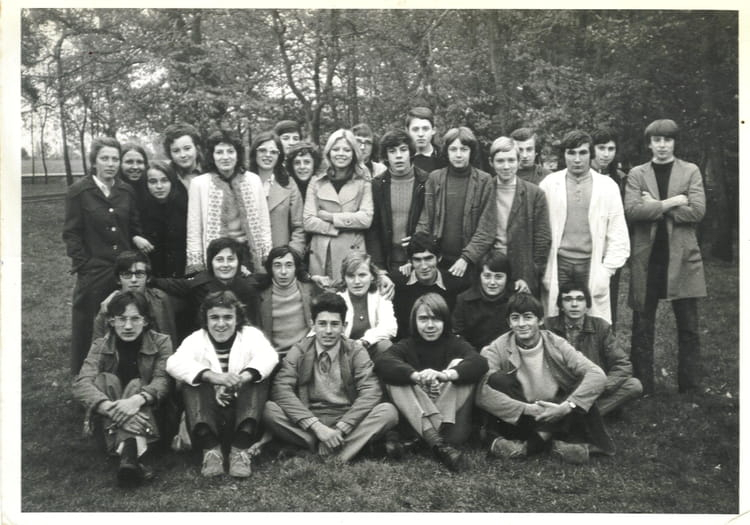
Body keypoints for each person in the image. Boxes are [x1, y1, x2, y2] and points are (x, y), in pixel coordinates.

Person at [475, 293, 614, 464]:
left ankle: (525, 447)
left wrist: (565, 407)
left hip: (556, 411)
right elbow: (482, 392)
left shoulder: (556, 343)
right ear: (509, 323)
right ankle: (549, 441)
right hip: (520, 414)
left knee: (580, 387)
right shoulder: (498, 346)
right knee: (496, 380)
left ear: (540, 320)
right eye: (515, 318)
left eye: (528, 317)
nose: (521, 324)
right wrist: (528, 409)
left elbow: (597, 374)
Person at [262, 292, 398, 463]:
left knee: (388, 412)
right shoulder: (300, 350)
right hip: (311, 419)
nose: (328, 331)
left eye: (334, 324)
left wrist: (342, 428)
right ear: (313, 325)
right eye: (322, 324)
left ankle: (323, 452)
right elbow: (281, 389)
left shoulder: (355, 351)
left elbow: (371, 391)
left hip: (347, 416)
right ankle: (339, 448)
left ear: (343, 326)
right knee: (269, 410)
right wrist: (317, 427)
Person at [624, 119, 707, 394]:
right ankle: (642, 385)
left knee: (689, 326)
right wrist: (672, 203)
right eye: (656, 140)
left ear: (674, 143)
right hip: (648, 260)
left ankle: (691, 385)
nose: (662, 145)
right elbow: (633, 212)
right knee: (642, 326)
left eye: (667, 140)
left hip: (682, 258)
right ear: (649, 143)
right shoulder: (637, 174)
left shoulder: (690, 171)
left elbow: (696, 212)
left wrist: (655, 206)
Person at [166, 290, 278, 477]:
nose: (221, 324)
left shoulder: (250, 335)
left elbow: (270, 356)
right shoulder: (196, 339)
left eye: (228, 317)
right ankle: (211, 451)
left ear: (237, 318)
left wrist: (240, 379)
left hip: (243, 414)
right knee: (192, 381)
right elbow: (173, 363)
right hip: (210, 416)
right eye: (214, 318)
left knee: (258, 376)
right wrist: (213, 378)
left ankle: (240, 450)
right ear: (206, 319)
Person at [62, 136, 149, 374]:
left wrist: (135, 240)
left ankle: (119, 376)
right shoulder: (79, 192)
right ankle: (85, 379)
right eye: (105, 158)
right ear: (94, 161)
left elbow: (133, 227)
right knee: (89, 326)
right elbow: (71, 234)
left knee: (124, 321)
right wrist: (84, 265)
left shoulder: (126, 191)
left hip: (123, 273)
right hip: (94, 272)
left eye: (114, 158)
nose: (110, 163)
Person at [375, 293, 488, 471]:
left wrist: (444, 376)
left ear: (445, 320)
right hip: (419, 425)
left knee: (460, 366)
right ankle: (438, 446)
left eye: (436, 319)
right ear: (414, 321)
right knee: (396, 377)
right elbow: (382, 363)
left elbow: (480, 363)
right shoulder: (407, 345)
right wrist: (416, 377)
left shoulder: (455, 343)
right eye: (423, 319)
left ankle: (419, 442)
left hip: (450, 425)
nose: (429, 325)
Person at [73, 291, 173, 487]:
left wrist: (137, 400)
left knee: (137, 384)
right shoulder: (100, 345)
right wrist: (110, 408)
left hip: (151, 414)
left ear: (145, 321)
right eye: (122, 319)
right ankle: (132, 456)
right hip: (118, 416)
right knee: (105, 379)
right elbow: (81, 383)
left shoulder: (161, 342)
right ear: (111, 321)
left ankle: (127, 454)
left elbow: (163, 380)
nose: (128, 326)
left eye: (135, 319)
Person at [539, 130, 629, 323]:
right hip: (559, 263)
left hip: (591, 263)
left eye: (583, 153)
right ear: (564, 155)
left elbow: (618, 234)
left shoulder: (607, 186)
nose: (577, 159)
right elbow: (539, 230)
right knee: (556, 321)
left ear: (591, 155)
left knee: (592, 324)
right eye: (571, 153)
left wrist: (606, 271)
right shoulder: (549, 184)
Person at [416, 126, 496, 295]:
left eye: (464, 149)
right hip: (439, 262)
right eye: (453, 149)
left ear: (471, 151)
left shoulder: (484, 181)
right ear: (446, 151)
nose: (458, 154)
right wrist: (418, 252)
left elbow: (487, 228)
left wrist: (466, 258)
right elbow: (426, 219)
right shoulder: (435, 178)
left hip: (472, 264)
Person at [545, 283, 643, 415]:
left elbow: (622, 365)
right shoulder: (548, 327)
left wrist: (599, 387)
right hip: (562, 388)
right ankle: (584, 415)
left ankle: (573, 416)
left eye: (580, 299)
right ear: (561, 306)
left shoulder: (601, 327)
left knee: (633, 385)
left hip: (593, 387)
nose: (574, 304)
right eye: (568, 299)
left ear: (587, 305)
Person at [186, 129, 272, 274]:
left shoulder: (253, 180)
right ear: (212, 156)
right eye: (219, 152)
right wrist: (197, 265)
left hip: (247, 252)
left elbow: (264, 221)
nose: (225, 157)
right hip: (217, 254)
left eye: (230, 152)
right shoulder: (199, 184)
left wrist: (265, 254)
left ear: (238, 155)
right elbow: (194, 228)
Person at [152, 237, 261, 340]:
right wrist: (151, 280)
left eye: (231, 259)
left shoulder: (247, 289)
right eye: (219, 260)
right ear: (211, 263)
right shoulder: (200, 284)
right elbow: (172, 284)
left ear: (239, 263)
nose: (225, 265)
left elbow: (253, 326)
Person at [303, 128, 373, 280]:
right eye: (336, 149)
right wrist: (337, 228)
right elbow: (308, 221)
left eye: (347, 150)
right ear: (328, 152)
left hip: (353, 252)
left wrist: (331, 217)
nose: (341, 154)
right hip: (322, 252)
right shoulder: (316, 181)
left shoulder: (363, 181)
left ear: (354, 153)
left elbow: (366, 218)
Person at [488, 136, 551, 297]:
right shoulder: (485, 190)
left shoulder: (534, 194)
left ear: (518, 161)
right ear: (492, 162)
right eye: (500, 161)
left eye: (511, 160)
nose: (506, 166)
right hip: (491, 269)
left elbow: (542, 240)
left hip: (522, 270)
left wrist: (530, 275)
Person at [366, 129, 429, 286]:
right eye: (392, 151)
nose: (398, 156)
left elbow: (432, 220)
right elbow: (373, 229)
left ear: (411, 152)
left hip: (419, 262)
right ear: (386, 156)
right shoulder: (377, 185)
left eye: (403, 150)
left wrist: (416, 251)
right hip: (387, 263)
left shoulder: (426, 181)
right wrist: (379, 267)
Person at [92, 250, 177, 347]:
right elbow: (97, 345)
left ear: (148, 278)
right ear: (118, 279)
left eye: (139, 274)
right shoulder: (109, 303)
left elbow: (169, 337)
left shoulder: (160, 299)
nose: (134, 280)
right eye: (127, 274)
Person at [591, 127, 629, 331]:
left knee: (608, 301)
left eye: (611, 148)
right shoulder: (581, 174)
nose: (606, 154)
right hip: (586, 246)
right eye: (601, 148)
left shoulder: (620, 179)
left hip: (610, 249)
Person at [256, 245, 320, 359]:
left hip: (305, 354)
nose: (283, 272)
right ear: (270, 268)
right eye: (277, 266)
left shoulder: (310, 289)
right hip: (274, 357)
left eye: (289, 265)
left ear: (296, 267)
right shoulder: (260, 294)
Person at [248, 131, 306, 256]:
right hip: (248, 259)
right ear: (254, 152)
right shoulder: (242, 182)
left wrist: (293, 254)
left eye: (274, 152)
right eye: (262, 150)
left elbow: (299, 227)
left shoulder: (289, 184)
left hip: (281, 260)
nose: (268, 155)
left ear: (279, 156)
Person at [392, 232, 454, 339]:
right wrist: (382, 278)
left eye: (428, 258)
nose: (424, 266)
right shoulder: (397, 283)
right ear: (410, 261)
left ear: (439, 258)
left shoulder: (453, 284)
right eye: (417, 260)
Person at [337, 252, 397, 360]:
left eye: (362, 275)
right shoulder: (337, 299)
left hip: (371, 351)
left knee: (385, 345)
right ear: (344, 278)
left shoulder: (380, 295)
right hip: (344, 355)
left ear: (372, 276)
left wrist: (364, 341)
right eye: (351, 276)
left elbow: (390, 327)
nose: (357, 282)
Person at [452, 251, 512, 351]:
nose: (492, 282)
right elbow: (458, 336)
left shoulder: (515, 299)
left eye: (498, 277)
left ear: (507, 278)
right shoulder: (464, 300)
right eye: (487, 276)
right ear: (479, 276)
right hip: (474, 355)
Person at [137, 160, 188, 278]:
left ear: (172, 182)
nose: (159, 186)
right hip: (154, 274)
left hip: (181, 272)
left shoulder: (184, 206)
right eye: (153, 181)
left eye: (164, 180)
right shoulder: (140, 209)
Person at [162, 122, 203, 193]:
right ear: (170, 153)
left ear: (197, 148)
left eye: (187, 148)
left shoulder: (211, 170)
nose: (182, 155)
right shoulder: (166, 176)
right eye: (176, 151)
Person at [405, 106, 446, 173]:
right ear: (407, 131)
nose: (421, 134)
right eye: (415, 129)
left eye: (425, 129)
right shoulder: (401, 159)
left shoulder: (444, 159)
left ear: (433, 130)